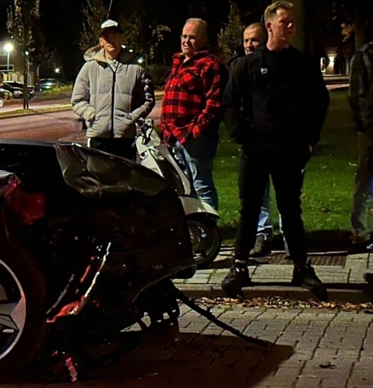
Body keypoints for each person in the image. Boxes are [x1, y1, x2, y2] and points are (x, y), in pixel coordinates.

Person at [221, 1, 330, 300]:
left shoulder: (303, 64)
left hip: (290, 149)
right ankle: (240, 265)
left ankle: (301, 266)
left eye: (293, 22)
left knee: (290, 209)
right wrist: (243, 137)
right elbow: (229, 103)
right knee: (249, 209)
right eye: (286, 22)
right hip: (255, 150)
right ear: (270, 25)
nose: (291, 27)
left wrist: (310, 140)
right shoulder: (247, 64)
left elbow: (319, 102)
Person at [159, 18, 227, 211]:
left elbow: (214, 104)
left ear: (204, 39)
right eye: (184, 36)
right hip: (173, 136)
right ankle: (193, 229)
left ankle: (210, 229)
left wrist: (195, 130)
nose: (186, 41)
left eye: (192, 37)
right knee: (183, 187)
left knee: (202, 185)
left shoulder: (210, 65)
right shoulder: (179, 63)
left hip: (196, 139)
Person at [71, 19, 155, 160]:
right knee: (100, 180)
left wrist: (131, 118)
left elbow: (148, 100)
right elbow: (77, 100)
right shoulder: (89, 68)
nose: (110, 40)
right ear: (101, 41)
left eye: (114, 35)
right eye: (106, 37)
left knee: (125, 180)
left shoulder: (135, 68)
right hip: (98, 137)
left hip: (125, 139)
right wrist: (91, 114)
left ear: (121, 38)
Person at [232, 23, 279, 257]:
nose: (249, 45)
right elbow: (230, 102)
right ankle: (256, 236)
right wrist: (240, 133)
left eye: (255, 40)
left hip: (276, 140)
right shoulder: (240, 67)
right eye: (246, 40)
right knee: (251, 194)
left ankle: (276, 234)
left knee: (285, 194)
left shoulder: (272, 66)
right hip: (251, 140)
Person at [348, 35, 373, 252]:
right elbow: (356, 94)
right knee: (366, 179)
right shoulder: (366, 54)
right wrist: (365, 123)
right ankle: (360, 233)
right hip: (371, 128)